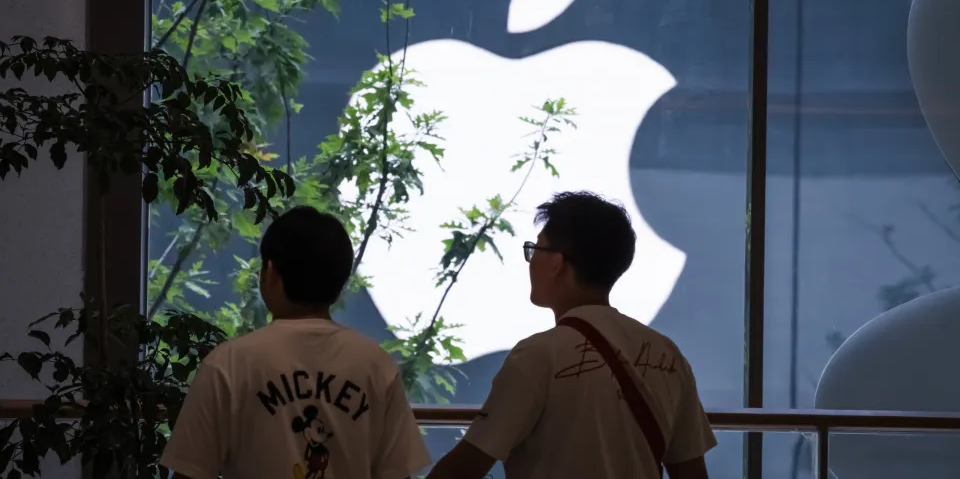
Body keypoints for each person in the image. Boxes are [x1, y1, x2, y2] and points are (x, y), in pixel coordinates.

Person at [426, 191, 716, 479]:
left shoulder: (537, 356)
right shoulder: (668, 355)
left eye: (535, 249)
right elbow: (692, 473)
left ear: (556, 262)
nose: (531, 261)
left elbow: (466, 465)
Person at [161, 205, 430, 479]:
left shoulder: (227, 365)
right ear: (340, 280)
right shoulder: (376, 366)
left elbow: (190, 473)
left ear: (270, 272)